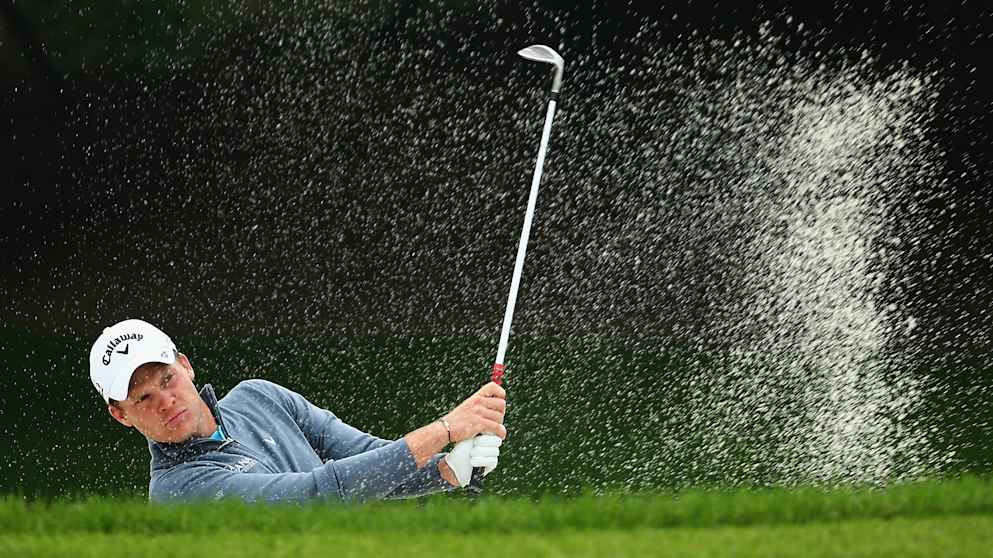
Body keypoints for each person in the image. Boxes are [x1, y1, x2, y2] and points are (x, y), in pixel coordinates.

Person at [89, 318, 506, 503]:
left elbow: (364, 458)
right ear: (121, 415)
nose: (166, 401)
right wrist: (446, 428)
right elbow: (319, 495)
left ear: (185, 365)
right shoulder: (179, 493)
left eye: (166, 380)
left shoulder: (259, 397)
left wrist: (447, 469)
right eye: (142, 398)